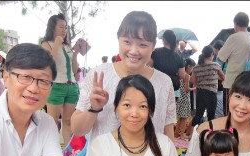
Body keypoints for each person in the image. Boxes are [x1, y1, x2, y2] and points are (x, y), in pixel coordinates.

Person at [71, 11, 176, 142]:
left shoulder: (164, 82)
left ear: (153, 46)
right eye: (127, 42)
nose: (133, 51)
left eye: (142, 44)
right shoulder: (99, 76)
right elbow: (77, 130)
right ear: (118, 39)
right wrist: (94, 108)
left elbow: (168, 131)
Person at [41, 13, 81, 146]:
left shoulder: (68, 47)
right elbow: (48, 63)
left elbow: (75, 70)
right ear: (53, 27)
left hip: (72, 86)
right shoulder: (46, 44)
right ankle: (51, 151)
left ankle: (68, 152)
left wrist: (75, 55)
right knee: (52, 122)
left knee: (68, 121)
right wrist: (57, 42)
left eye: (66, 27)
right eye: (61, 27)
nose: (64, 30)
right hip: (56, 86)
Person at [218, 12, 250, 113]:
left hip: (232, 82)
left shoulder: (234, 37)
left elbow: (221, 57)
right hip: (246, 82)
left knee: (229, 114)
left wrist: (229, 58)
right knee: (242, 113)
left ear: (235, 23)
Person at [187, 45, 225, 136]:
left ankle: (189, 134)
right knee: (211, 116)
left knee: (198, 115)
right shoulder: (215, 65)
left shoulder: (196, 67)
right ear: (212, 54)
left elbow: (193, 80)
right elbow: (223, 77)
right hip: (211, 93)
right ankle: (209, 135)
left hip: (200, 93)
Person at [149, 29, 186, 102]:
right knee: (169, 111)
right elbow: (182, 75)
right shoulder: (178, 56)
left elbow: (149, 67)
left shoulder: (156, 52)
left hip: (157, 86)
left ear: (164, 40)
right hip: (171, 87)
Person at [176, 58, 196, 139]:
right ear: (189, 66)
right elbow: (187, 88)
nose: (192, 70)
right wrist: (194, 88)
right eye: (192, 68)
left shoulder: (179, 73)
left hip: (179, 97)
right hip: (185, 98)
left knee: (180, 118)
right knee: (184, 118)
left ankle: (176, 132)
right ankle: (182, 135)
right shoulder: (187, 76)